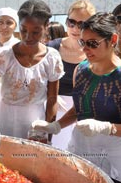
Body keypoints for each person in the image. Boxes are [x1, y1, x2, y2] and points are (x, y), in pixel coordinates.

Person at [32, 12, 121, 183]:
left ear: (113, 40)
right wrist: (56, 125)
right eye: (82, 42)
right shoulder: (81, 70)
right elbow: (80, 107)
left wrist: (108, 128)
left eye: (93, 43)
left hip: (114, 156)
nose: (85, 49)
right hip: (81, 147)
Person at [0, 0, 64, 149]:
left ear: (46, 27)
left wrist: (49, 132)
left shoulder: (52, 58)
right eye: (24, 30)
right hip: (5, 119)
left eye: (36, 32)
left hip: (36, 123)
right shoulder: (5, 55)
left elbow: (52, 100)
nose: (28, 37)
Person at [46, 0, 96, 150]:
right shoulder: (51, 47)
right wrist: (50, 95)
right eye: (71, 22)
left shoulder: (96, 51)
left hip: (83, 115)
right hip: (53, 110)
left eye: (82, 24)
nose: (75, 28)